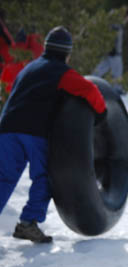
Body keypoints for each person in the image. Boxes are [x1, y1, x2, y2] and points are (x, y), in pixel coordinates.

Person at [0, 26, 106, 243]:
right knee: (45, 177)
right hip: (34, 131)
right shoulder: (62, 73)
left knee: (4, 177)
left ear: (46, 48)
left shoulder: (28, 68)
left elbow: (14, 90)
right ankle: (28, 223)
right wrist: (102, 115)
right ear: (67, 53)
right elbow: (90, 91)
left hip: (7, 128)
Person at [92, 9, 128, 95]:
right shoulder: (116, 25)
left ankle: (91, 81)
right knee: (117, 71)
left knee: (101, 68)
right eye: (127, 18)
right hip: (115, 52)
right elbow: (113, 37)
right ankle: (117, 89)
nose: (127, 20)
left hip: (110, 51)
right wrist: (113, 49)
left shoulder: (114, 23)